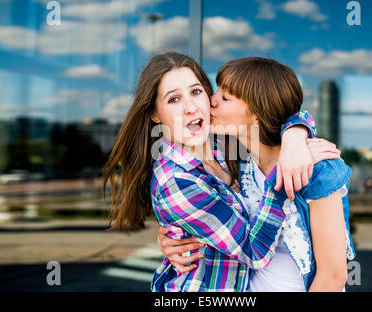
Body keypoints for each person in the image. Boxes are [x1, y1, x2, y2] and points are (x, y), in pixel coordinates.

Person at [103, 52, 336, 291]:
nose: (191, 107)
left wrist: (294, 138)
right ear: (154, 114)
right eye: (174, 100)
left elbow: (281, 111)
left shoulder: (226, 144)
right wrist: (282, 173)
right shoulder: (175, 181)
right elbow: (254, 252)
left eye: (196, 92)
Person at [157, 56, 356, 292]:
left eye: (225, 97)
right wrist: (173, 237)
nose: (211, 101)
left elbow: (333, 277)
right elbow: (235, 237)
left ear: (257, 113)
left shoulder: (318, 168)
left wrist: (295, 137)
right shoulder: (240, 161)